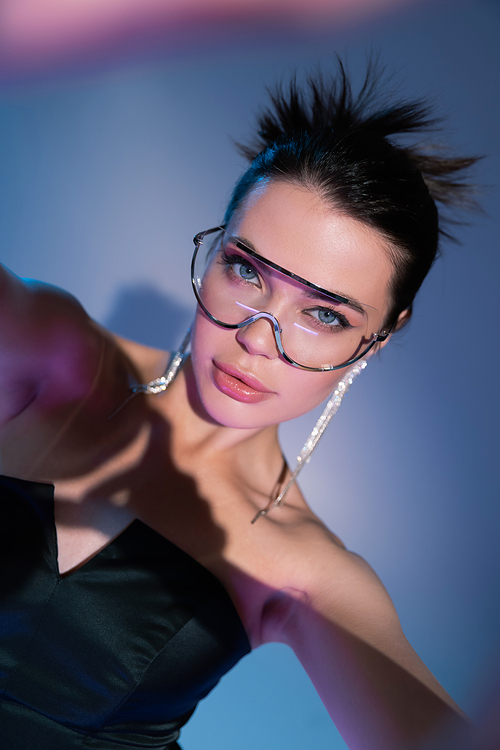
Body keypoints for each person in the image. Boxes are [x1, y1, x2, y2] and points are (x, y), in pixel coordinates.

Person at [0, 60, 479, 750]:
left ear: (379, 337)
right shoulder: (58, 357)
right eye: (246, 270)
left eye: (324, 314)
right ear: (216, 246)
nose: (258, 336)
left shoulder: (307, 570)